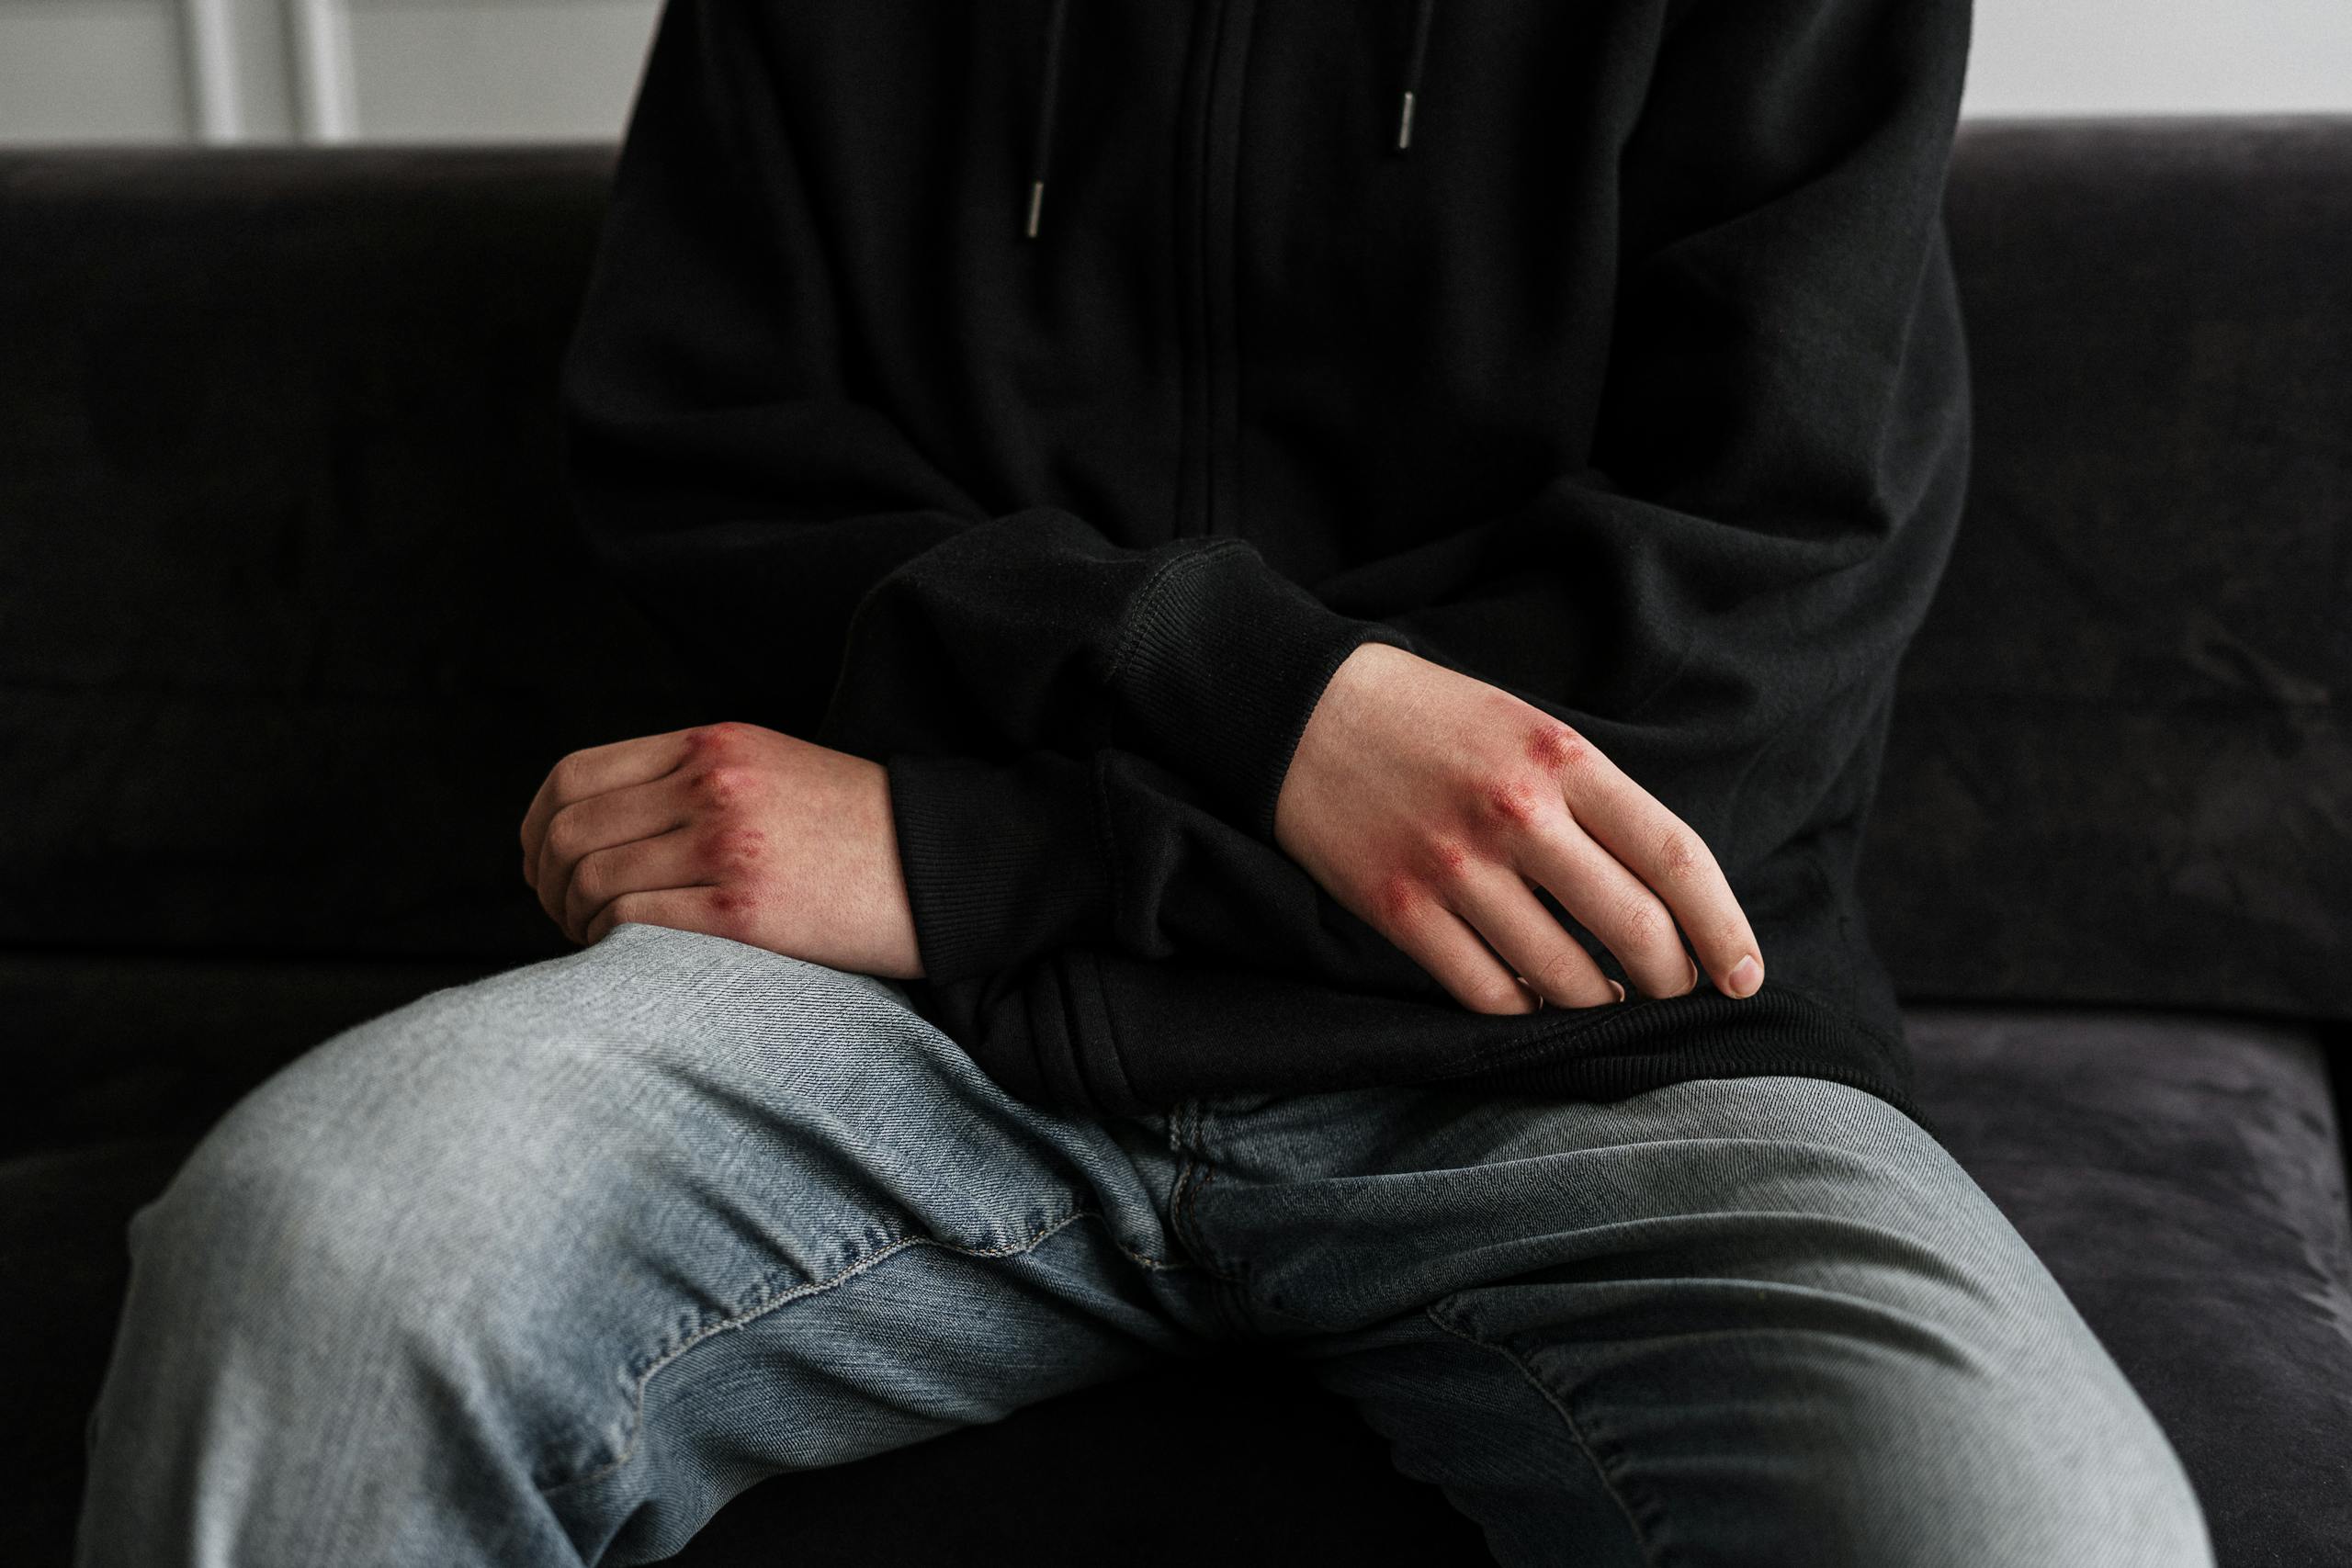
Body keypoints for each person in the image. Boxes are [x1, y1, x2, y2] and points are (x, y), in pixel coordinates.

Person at [75, 1, 2216, 1563]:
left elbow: (1718, 696)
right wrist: (1268, 707)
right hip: (901, 1039)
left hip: (1584, 1060)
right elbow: (710, 477)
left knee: (2044, 1528)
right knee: (318, 1247)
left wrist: (973, 850)